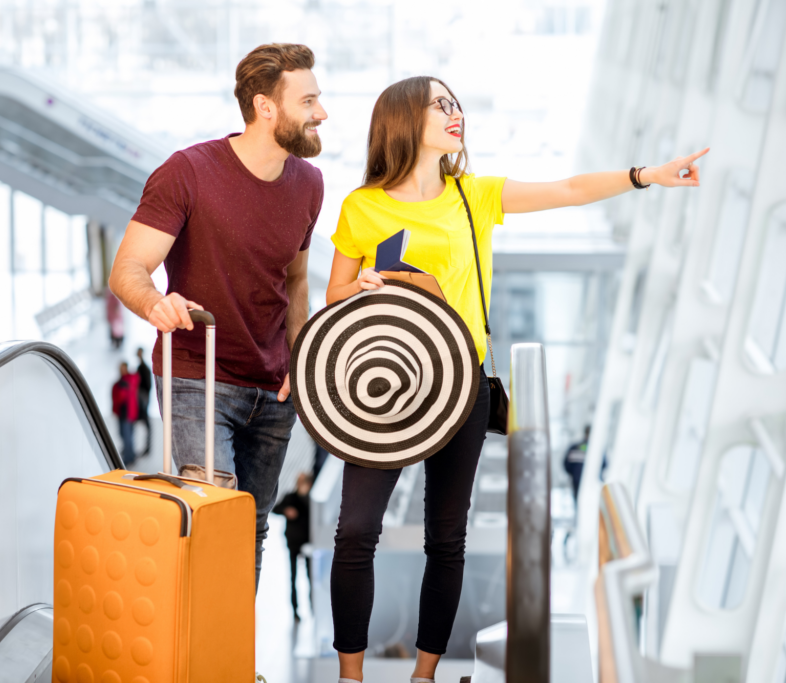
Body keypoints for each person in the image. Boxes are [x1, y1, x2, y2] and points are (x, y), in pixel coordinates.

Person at [324, 76, 707, 683]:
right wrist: (368, 283)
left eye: (456, 104)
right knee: (355, 531)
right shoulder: (362, 206)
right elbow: (335, 295)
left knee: (445, 538)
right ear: (402, 120)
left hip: (460, 388)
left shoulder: (472, 195)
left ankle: (424, 675)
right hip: (387, 387)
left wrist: (645, 175)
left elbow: (570, 188)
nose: (456, 114)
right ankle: (351, 675)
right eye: (440, 105)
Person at [107, 43, 327, 589]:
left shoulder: (308, 183)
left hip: (273, 388)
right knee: (211, 518)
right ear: (266, 107)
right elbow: (129, 268)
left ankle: (230, 658)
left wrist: (298, 361)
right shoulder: (188, 172)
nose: (322, 113)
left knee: (250, 530)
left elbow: (295, 279)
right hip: (197, 375)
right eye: (309, 100)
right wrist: (157, 302)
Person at [272, 472, 314, 622]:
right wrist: (286, 511)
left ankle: (312, 607)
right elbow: (276, 508)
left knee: (311, 577)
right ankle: (295, 610)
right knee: (293, 576)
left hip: (308, 543)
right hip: (293, 542)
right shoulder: (290, 497)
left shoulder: (311, 498)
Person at [111, 361, 139, 466]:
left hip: (128, 413)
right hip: (122, 412)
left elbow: (122, 396)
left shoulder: (130, 379)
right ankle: (129, 453)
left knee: (128, 436)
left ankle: (129, 457)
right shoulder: (120, 382)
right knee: (123, 434)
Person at [563, 425, 591, 506]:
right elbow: (605, 465)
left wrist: (573, 474)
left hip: (577, 481)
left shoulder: (574, 447)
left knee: (578, 504)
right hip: (591, 483)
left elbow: (566, 464)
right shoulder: (596, 449)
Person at [135, 347, 152, 456]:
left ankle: (147, 448)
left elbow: (148, 386)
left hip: (142, 400)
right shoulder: (140, 367)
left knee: (146, 425)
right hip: (141, 399)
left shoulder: (144, 368)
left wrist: (143, 398)